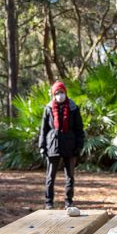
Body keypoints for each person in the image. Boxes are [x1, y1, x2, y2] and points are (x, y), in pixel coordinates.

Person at [38, 81, 85, 209]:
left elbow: (79, 129)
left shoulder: (73, 108)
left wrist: (79, 146)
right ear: (54, 94)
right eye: (57, 93)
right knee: (50, 176)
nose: (60, 95)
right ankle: (49, 202)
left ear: (65, 93)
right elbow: (44, 129)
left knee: (70, 176)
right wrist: (42, 146)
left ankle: (68, 201)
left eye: (62, 92)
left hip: (70, 145)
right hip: (52, 145)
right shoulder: (48, 108)